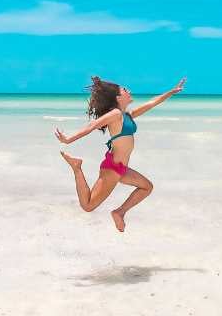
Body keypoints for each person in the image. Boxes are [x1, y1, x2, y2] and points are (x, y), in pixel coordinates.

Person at [55, 76, 186, 232]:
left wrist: (171, 92)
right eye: (124, 90)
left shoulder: (126, 116)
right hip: (112, 169)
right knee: (88, 206)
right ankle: (77, 167)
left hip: (122, 169)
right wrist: (68, 139)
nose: (129, 91)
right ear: (118, 97)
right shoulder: (115, 114)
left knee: (147, 187)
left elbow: (152, 103)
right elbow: (93, 125)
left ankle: (120, 212)